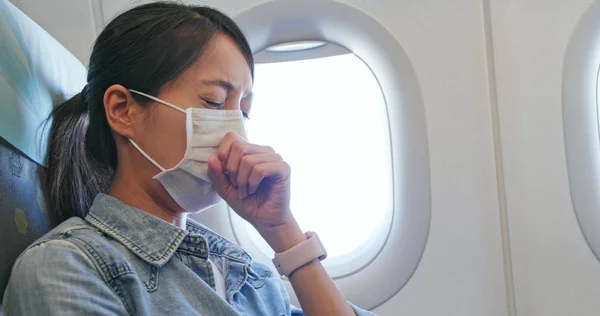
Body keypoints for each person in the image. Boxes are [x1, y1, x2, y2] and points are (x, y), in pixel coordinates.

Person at [1, 2, 375, 315]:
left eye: (242, 112)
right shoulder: (68, 268)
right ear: (123, 110)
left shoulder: (247, 275)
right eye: (214, 102)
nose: (235, 134)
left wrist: (283, 232)